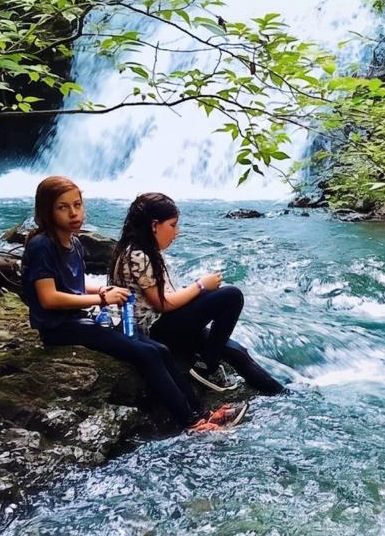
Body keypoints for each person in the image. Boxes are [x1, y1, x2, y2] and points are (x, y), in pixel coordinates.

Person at [19, 176, 245, 433]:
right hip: (58, 327)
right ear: (46, 211)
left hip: (77, 318)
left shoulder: (74, 242)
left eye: (77, 205)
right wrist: (102, 299)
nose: (73, 213)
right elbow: (49, 298)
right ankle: (192, 423)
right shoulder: (41, 245)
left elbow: (74, 284)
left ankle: (202, 413)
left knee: (159, 349)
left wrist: (101, 289)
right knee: (146, 354)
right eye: (63, 207)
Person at [109, 192, 285, 395]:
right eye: (173, 225)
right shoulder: (138, 255)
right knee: (231, 296)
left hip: (163, 325)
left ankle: (281, 394)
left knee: (236, 352)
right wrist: (200, 286)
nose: (177, 232)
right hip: (153, 331)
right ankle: (208, 364)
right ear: (154, 225)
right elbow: (162, 304)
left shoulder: (141, 251)